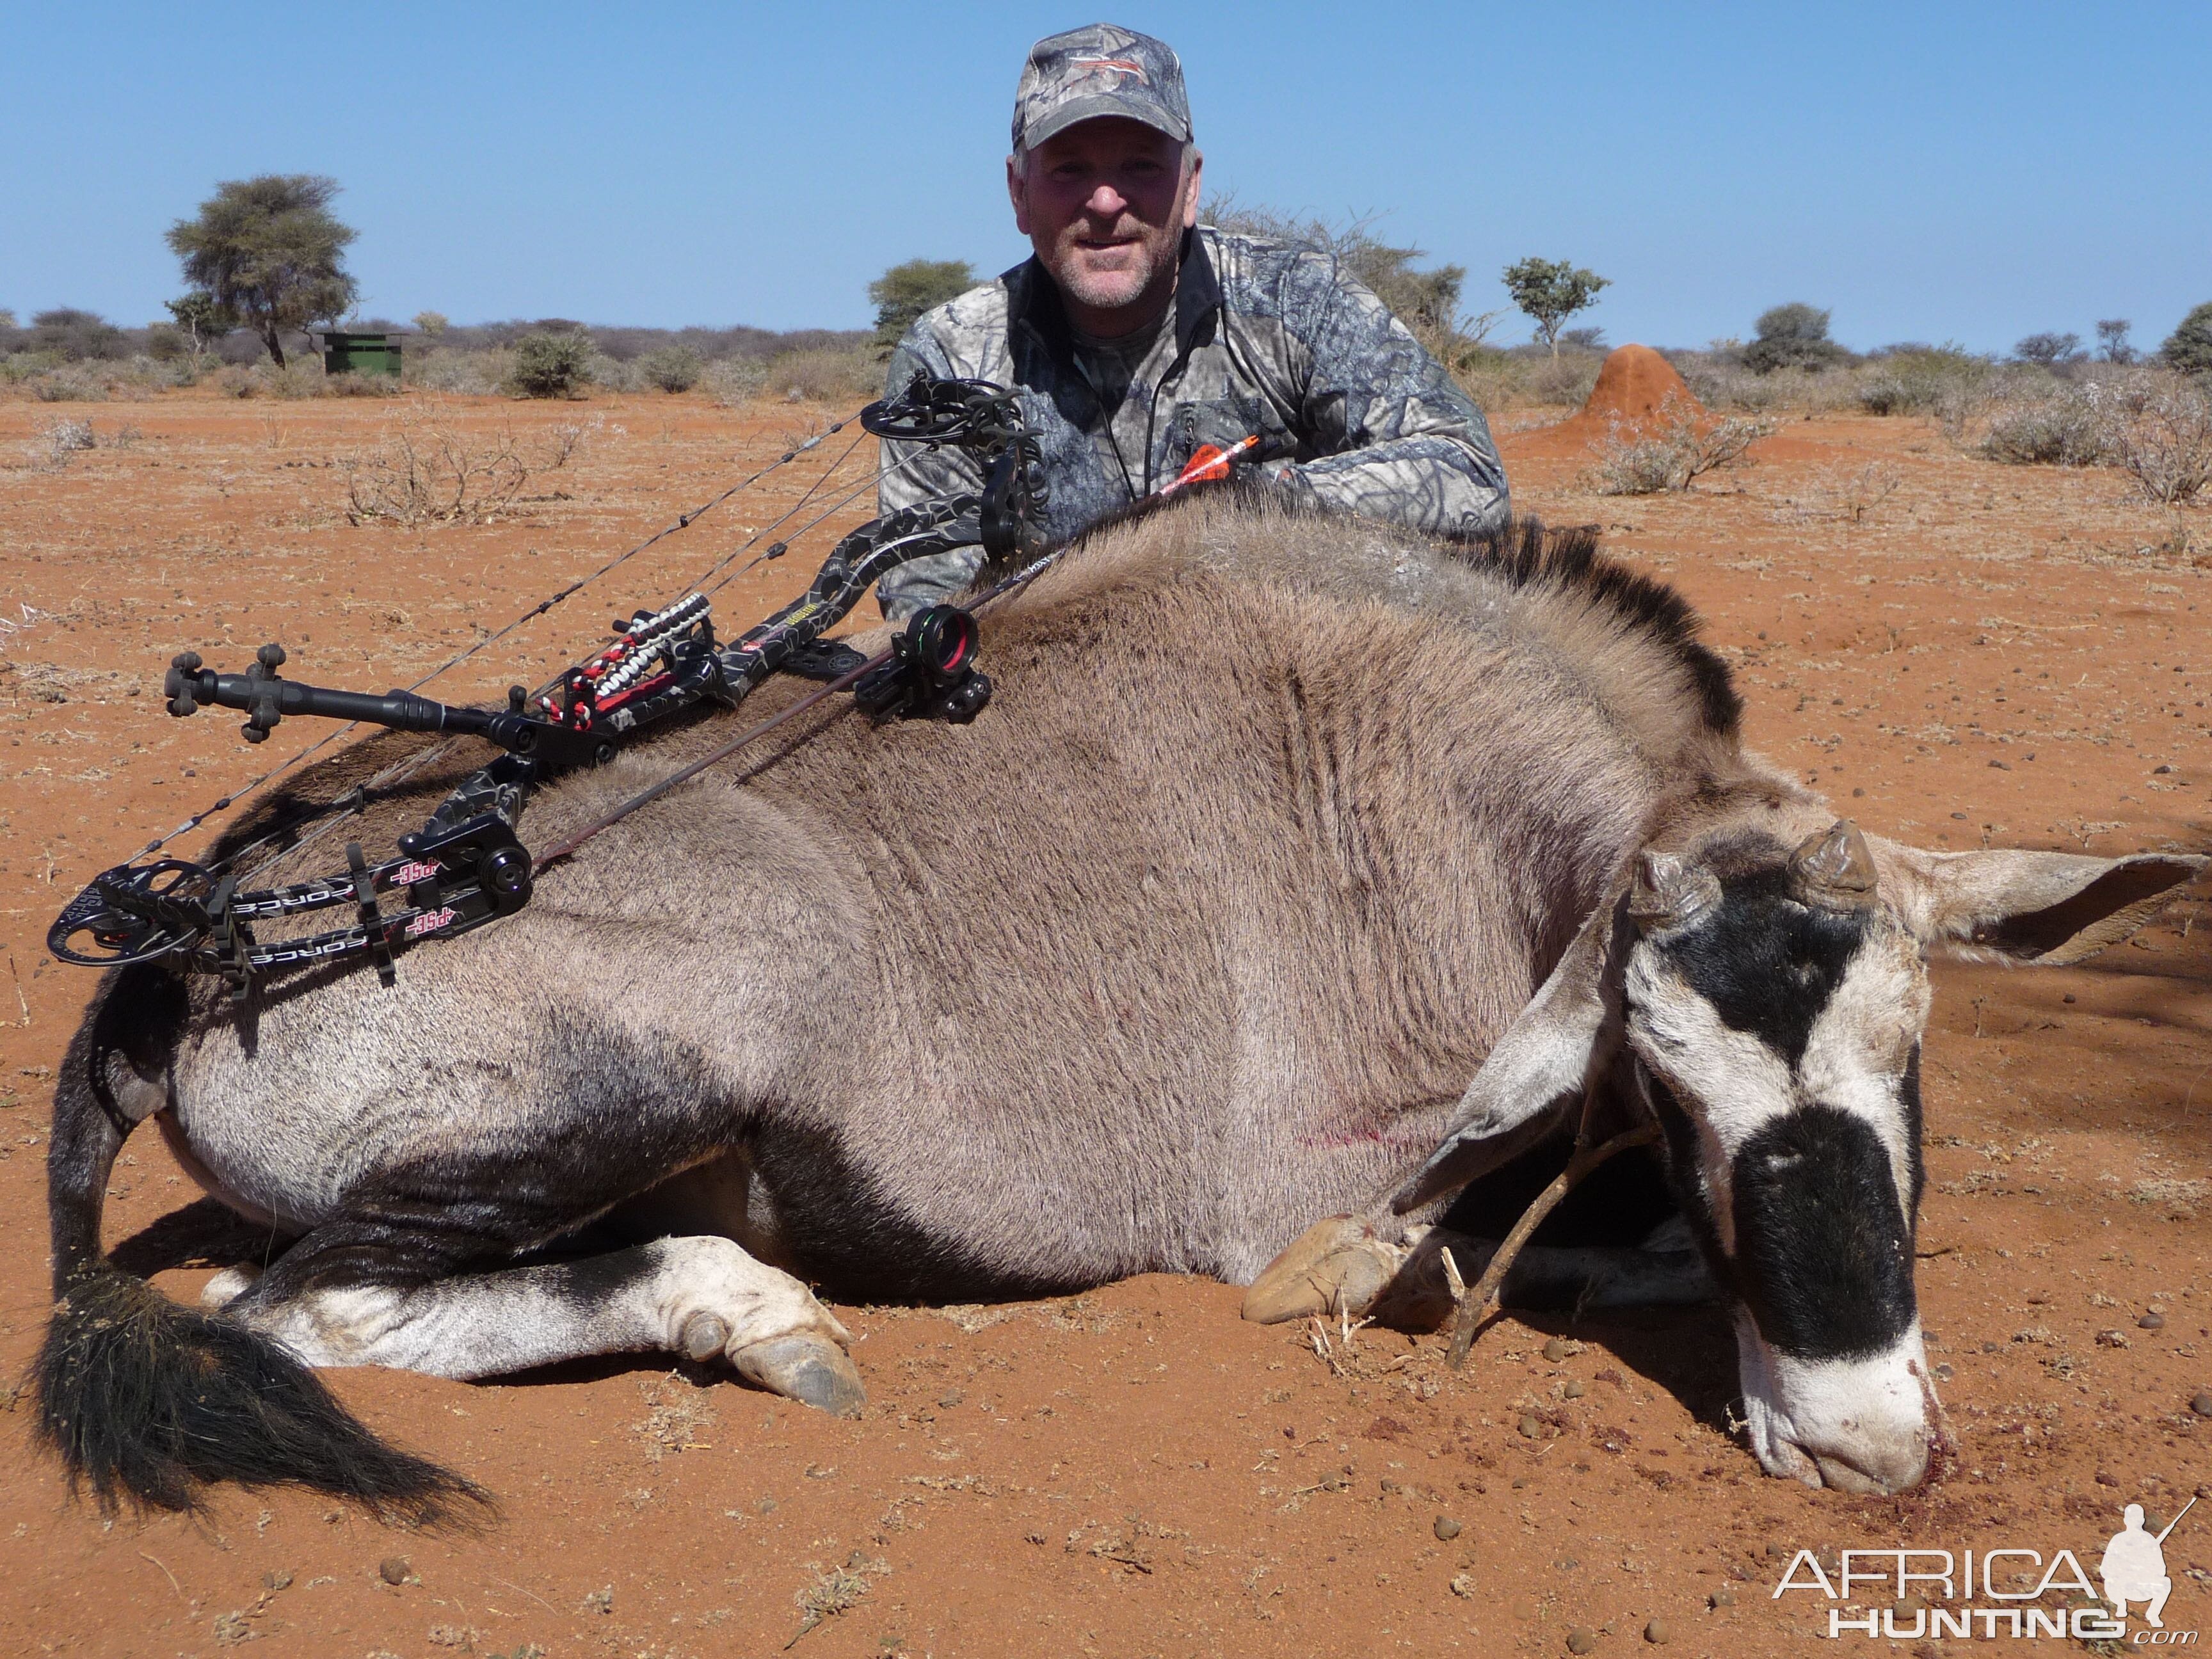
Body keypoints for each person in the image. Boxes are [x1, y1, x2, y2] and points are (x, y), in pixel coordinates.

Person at [874, 22, 1510, 621]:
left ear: (1191, 186)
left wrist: (1250, 501)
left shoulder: (1296, 297)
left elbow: (1469, 474)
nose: (1105, 202)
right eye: (1070, 168)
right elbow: (925, 600)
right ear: (1018, 191)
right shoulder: (950, 358)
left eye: (1141, 166)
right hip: (1057, 698)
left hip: (1292, 677)